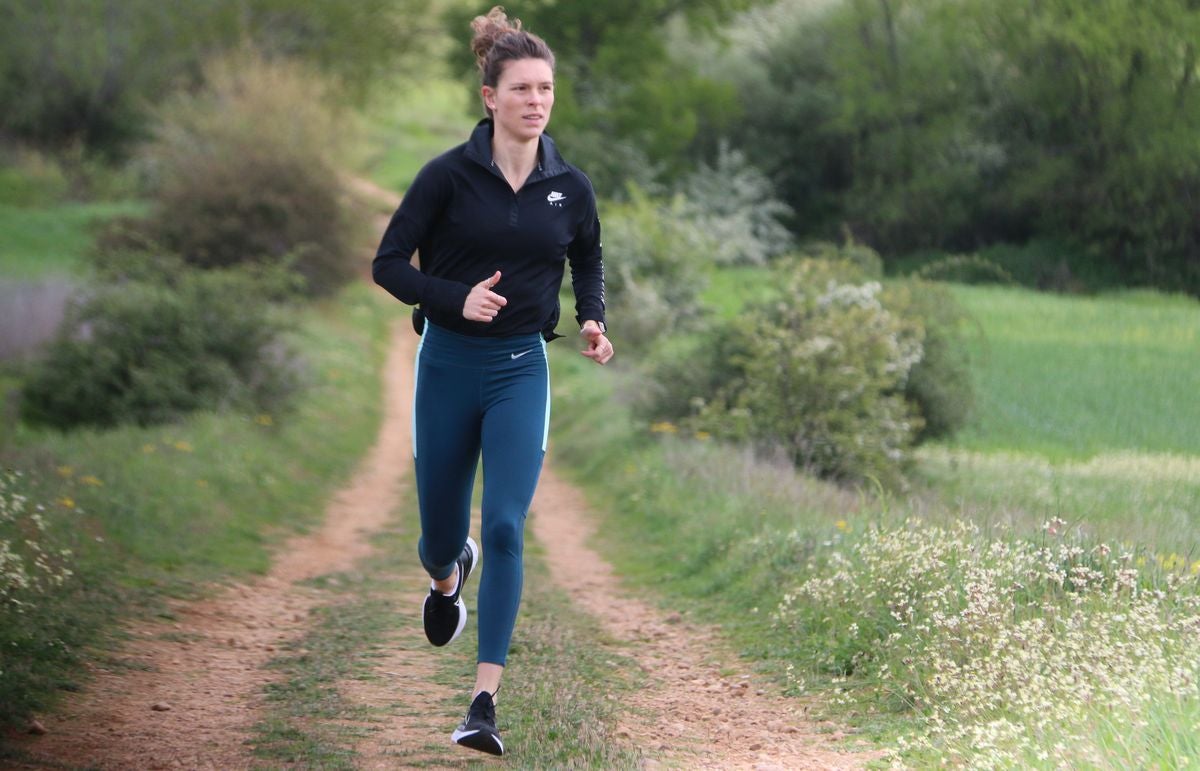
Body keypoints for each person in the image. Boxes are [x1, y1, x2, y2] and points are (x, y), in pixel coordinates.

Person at [371, 5, 612, 757]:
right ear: (490, 97)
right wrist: (453, 297)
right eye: (522, 89)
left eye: (546, 89)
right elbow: (388, 265)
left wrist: (593, 317)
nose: (536, 101)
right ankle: (448, 577)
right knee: (438, 538)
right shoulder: (445, 177)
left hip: (519, 371)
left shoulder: (569, 186)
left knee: (507, 523)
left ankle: (483, 701)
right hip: (445, 364)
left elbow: (588, 258)